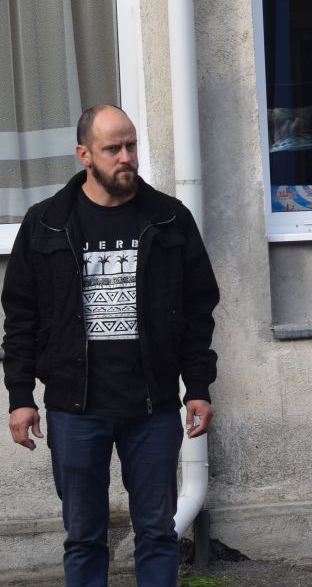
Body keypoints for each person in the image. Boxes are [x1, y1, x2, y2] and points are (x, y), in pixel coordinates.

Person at [2, 104, 219, 587]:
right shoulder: (45, 223)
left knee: (158, 533)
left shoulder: (169, 218)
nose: (126, 157)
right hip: (74, 408)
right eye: (113, 149)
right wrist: (20, 397)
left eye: (131, 146)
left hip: (152, 406)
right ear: (84, 155)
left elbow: (198, 309)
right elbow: (20, 316)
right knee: (83, 536)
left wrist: (198, 386)